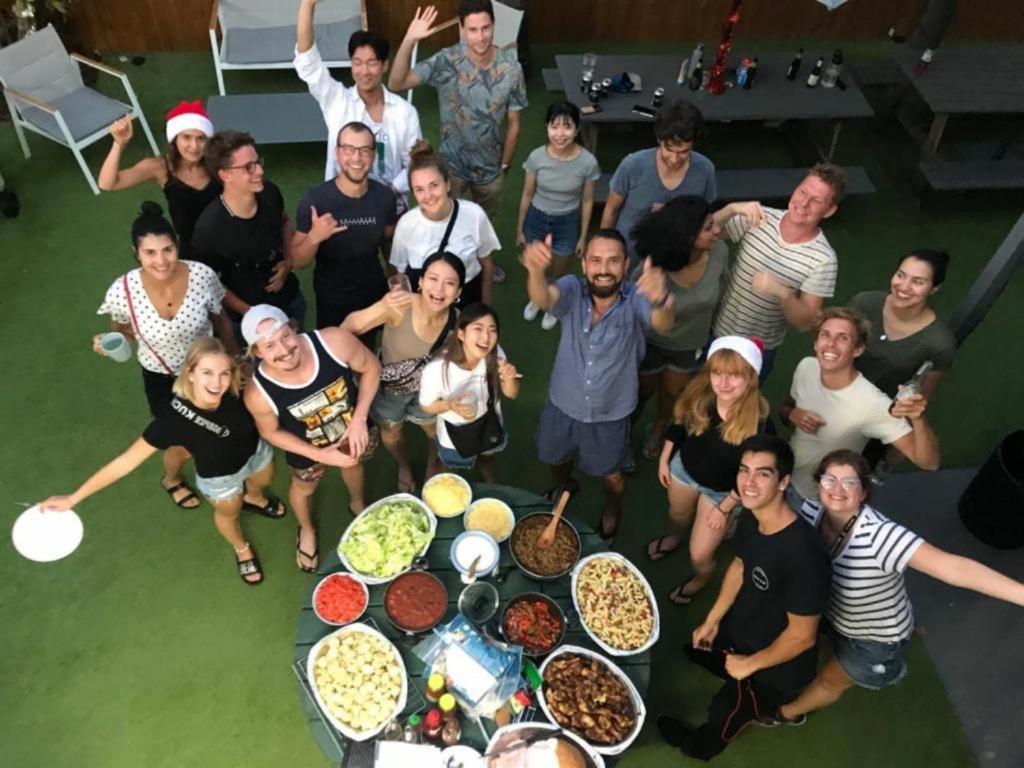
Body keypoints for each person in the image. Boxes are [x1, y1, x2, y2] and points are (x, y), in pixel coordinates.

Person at [761, 449, 1024, 726]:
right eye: (829, 480)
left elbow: (955, 569)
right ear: (818, 484)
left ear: (863, 492)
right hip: (834, 615)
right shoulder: (810, 513)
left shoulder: (881, 537)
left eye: (850, 482)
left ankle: (786, 714)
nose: (837, 489)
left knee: (829, 680)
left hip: (875, 639)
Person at [41, 339, 284, 586]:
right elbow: (126, 462)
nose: (216, 382)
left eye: (224, 373)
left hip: (257, 453)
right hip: (220, 478)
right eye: (207, 373)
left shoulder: (238, 387)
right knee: (228, 513)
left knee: (264, 480)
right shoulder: (172, 420)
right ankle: (241, 547)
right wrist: (73, 499)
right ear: (190, 373)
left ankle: (253, 498)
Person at [656, 435, 829, 761]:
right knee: (706, 645)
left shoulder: (803, 556)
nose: (748, 482)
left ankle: (698, 746)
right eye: (744, 470)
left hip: (772, 670)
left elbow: (802, 637)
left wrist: (749, 664)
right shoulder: (754, 516)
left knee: (725, 715)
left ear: (784, 482)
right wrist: (713, 619)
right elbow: (739, 565)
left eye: (763, 473)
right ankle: (720, 659)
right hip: (742, 629)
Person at [523, 229, 673, 538]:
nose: (604, 269)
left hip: (611, 413)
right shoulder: (571, 289)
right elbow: (543, 297)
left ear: (626, 264)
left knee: (613, 475)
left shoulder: (637, 297)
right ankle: (565, 484)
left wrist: (664, 300)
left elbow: (662, 322)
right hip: (562, 404)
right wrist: (536, 272)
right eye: (596, 260)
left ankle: (613, 506)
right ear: (584, 265)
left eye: (613, 261)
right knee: (554, 456)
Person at [94, 202, 235, 509]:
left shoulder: (201, 275)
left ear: (177, 245)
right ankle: (171, 478)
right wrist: (111, 340)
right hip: (161, 377)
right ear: (137, 253)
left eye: (167, 249)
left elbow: (221, 320)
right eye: (150, 253)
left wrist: (235, 363)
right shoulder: (122, 291)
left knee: (220, 426)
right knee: (182, 442)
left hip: (208, 370)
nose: (161, 260)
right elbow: (123, 331)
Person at [389, 0, 528, 283]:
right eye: (473, 29)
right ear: (462, 30)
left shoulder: (511, 69)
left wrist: (504, 164)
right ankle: (449, 268)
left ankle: (483, 261)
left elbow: (514, 124)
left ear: (494, 26)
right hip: (451, 167)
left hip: (491, 170)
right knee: (447, 223)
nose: (480, 36)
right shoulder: (446, 61)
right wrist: (410, 39)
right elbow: (396, 83)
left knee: (482, 223)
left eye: (486, 28)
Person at [242, 305, 380, 573]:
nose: (283, 350)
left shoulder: (334, 342)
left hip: (353, 431)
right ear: (257, 352)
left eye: (285, 336)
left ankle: (357, 503)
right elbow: (270, 432)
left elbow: (371, 368)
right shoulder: (258, 393)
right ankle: (306, 528)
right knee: (304, 487)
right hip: (306, 450)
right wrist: (320, 455)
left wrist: (360, 417)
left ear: (293, 328)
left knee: (353, 463)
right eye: (269, 346)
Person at [649, 337, 772, 608]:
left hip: (722, 493)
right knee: (677, 515)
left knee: (700, 554)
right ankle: (674, 537)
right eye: (717, 373)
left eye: (734, 376)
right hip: (684, 470)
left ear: (751, 378)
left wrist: (725, 507)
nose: (723, 383)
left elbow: (753, 478)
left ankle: (701, 578)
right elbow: (679, 423)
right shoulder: (701, 396)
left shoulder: (760, 424)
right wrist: (665, 458)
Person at [781, 307, 941, 507]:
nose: (830, 344)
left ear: (858, 349)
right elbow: (785, 409)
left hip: (813, 500)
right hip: (782, 477)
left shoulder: (872, 403)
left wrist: (918, 418)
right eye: (825, 335)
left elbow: (929, 462)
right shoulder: (806, 367)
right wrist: (791, 414)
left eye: (843, 338)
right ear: (816, 343)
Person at [710, 163, 846, 381]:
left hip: (757, 350)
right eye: (802, 192)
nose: (804, 203)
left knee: (737, 412)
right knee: (698, 400)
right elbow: (709, 233)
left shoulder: (824, 259)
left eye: (817, 200)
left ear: (829, 210)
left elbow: (806, 322)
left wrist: (782, 292)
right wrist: (732, 208)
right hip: (716, 332)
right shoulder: (761, 217)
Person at [342, 252, 465, 491]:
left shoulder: (459, 321)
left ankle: (433, 462)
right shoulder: (399, 305)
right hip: (389, 390)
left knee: (431, 428)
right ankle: (404, 465)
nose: (439, 289)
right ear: (419, 281)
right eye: (433, 278)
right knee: (392, 431)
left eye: (449, 283)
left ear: (458, 292)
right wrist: (380, 307)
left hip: (429, 392)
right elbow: (348, 328)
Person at [294, 0, 422, 204]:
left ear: (385, 65)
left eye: (372, 63)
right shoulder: (337, 100)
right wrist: (307, 5)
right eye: (357, 63)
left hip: (391, 203)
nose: (364, 71)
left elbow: (416, 163)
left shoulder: (405, 111)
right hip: (341, 203)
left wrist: (390, 192)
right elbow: (308, 64)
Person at [630, 196, 728, 458]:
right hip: (650, 343)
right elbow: (630, 305)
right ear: (686, 236)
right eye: (708, 227)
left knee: (672, 395)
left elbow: (722, 289)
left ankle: (657, 430)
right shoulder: (652, 267)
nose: (717, 231)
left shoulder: (719, 252)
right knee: (639, 394)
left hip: (689, 345)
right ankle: (624, 435)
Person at [191, 131, 305, 344]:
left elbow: (285, 222)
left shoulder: (269, 192)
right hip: (247, 317)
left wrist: (288, 261)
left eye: (258, 162)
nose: (260, 171)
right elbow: (211, 282)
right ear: (225, 174)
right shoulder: (209, 230)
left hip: (290, 299)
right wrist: (252, 313)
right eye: (248, 167)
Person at [291, 121, 399, 330]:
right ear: (337, 153)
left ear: (373, 154)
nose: (357, 158)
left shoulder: (385, 197)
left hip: (373, 295)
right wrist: (315, 236)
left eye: (364, 150)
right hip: (332, 300)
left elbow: (388, 241)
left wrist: (395, 280)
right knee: (335, 357)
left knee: (370, 352)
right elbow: (297, 260)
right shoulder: (315, 200)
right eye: (349, 150)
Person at [600, 100, 716, 267]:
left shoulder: (705, 170)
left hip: (674, 259)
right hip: (629, 254)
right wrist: (606, 249)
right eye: (669, 149)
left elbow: (704, 216)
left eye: (684, 152)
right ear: (659, 140)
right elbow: (611, 209)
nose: (675, 159)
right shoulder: (633, 165)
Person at [98, 100, 219, 259]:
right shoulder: (160, 167)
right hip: (192, 252)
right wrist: (119, 143)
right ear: (175, 138)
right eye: (187, 137)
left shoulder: (218, 162)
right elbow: (108, 183)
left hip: (230, 239)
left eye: (201, 138)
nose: (194, 146)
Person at [517, 101, 601, 331]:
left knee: (559, 269)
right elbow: (526, 194)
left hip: (567, 220)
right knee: (537, 266)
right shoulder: (536, 158)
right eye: (555, 126)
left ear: (576, 129)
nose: (560, 134)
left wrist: (583, 237)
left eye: (567, 127)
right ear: (547, 128)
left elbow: (587, 200)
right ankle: (537, 297)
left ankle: (552, 304)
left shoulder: (588, 162)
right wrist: (520, 229)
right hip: (536, 217)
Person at [419, 303, 520, 480]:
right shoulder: (437, 369)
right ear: (461, 334)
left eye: (492, 330)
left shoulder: (496, 356)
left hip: (489, 422)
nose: (486, 338)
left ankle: (489, 477)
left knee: (488, 457)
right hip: (454, 434)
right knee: (454, 469)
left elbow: (512, 394)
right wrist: (449, 405)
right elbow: (426, 406)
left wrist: (509, 378)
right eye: (478, 329)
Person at [389, 144, 499, 306]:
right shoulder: (406, 224)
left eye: (434, 185)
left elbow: (487, 266)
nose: (428, 196)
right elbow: (399, 272)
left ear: (447, 184)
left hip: (466, 298)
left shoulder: (474, 214)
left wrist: (484, 310)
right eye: (419, 189)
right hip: (423, 303)